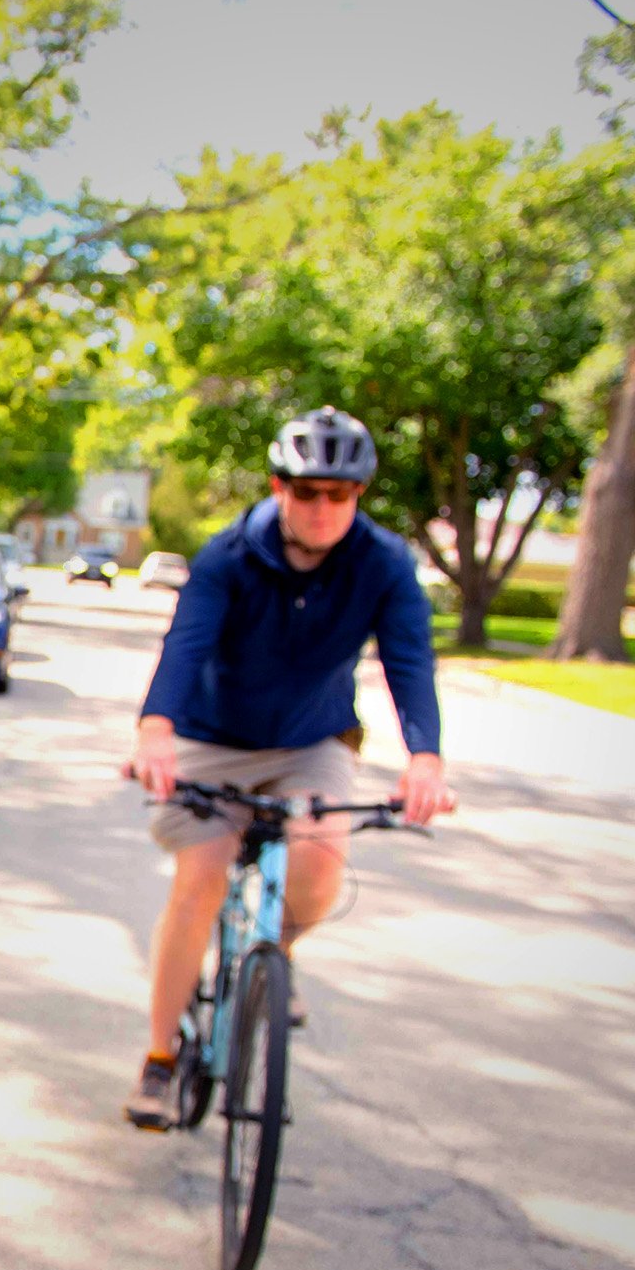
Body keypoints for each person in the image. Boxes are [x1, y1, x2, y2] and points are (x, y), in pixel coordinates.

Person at [123, 407, 455, 1130]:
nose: (322, 508)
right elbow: (185, 644)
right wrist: (155, 729)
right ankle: (160, 1057)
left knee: (320, 854)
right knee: (201, 878)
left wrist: (424, 758)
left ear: (359, 495)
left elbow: (409, 660)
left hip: (312, 740)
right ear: (279, 487)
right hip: (213, 738)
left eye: (340, 494)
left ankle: (276, 953)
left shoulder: (383, 563)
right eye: (307, 492)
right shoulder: (229, 555)